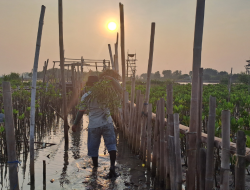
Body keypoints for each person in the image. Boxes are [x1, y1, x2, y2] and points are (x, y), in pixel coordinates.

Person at [72, 74, 122, 178]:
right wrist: (112, 79)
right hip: (107, 123)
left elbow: (81, 112)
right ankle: (112, 167)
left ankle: (95, 170)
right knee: (111, 145)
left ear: (89, 85)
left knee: (93, 148)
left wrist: (75, 124)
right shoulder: (106, 93)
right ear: (99, 84)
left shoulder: (86, 96)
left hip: (94, 125)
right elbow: (120, 90)